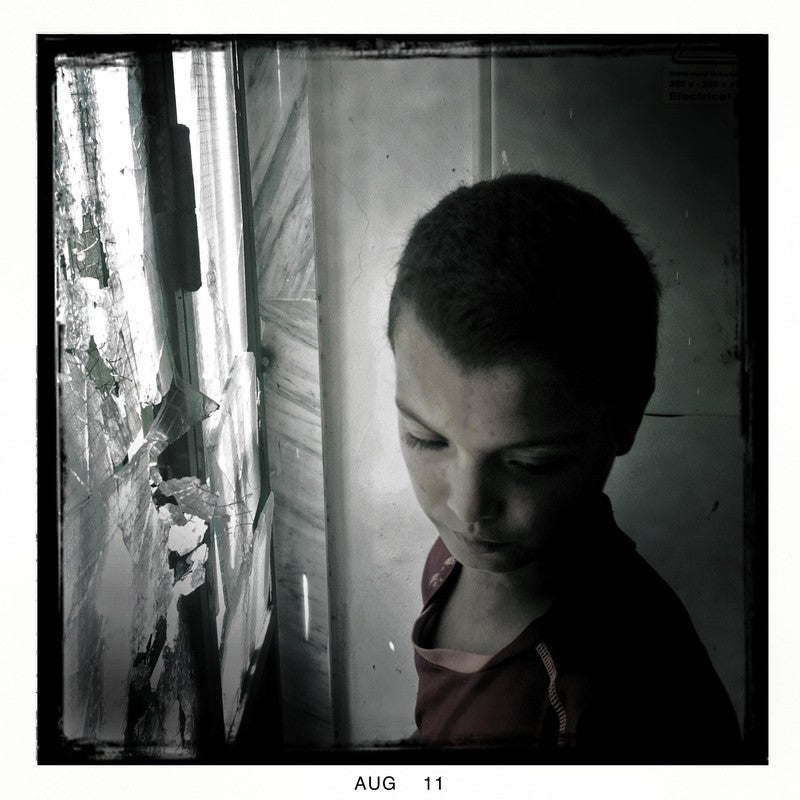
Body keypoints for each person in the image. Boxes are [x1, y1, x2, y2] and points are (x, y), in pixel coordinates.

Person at [387, 173, 741, 761]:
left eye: (530, 463)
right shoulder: (449, 561)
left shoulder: (604, 708)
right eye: (425, 440)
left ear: (627, 419)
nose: (466, 507)